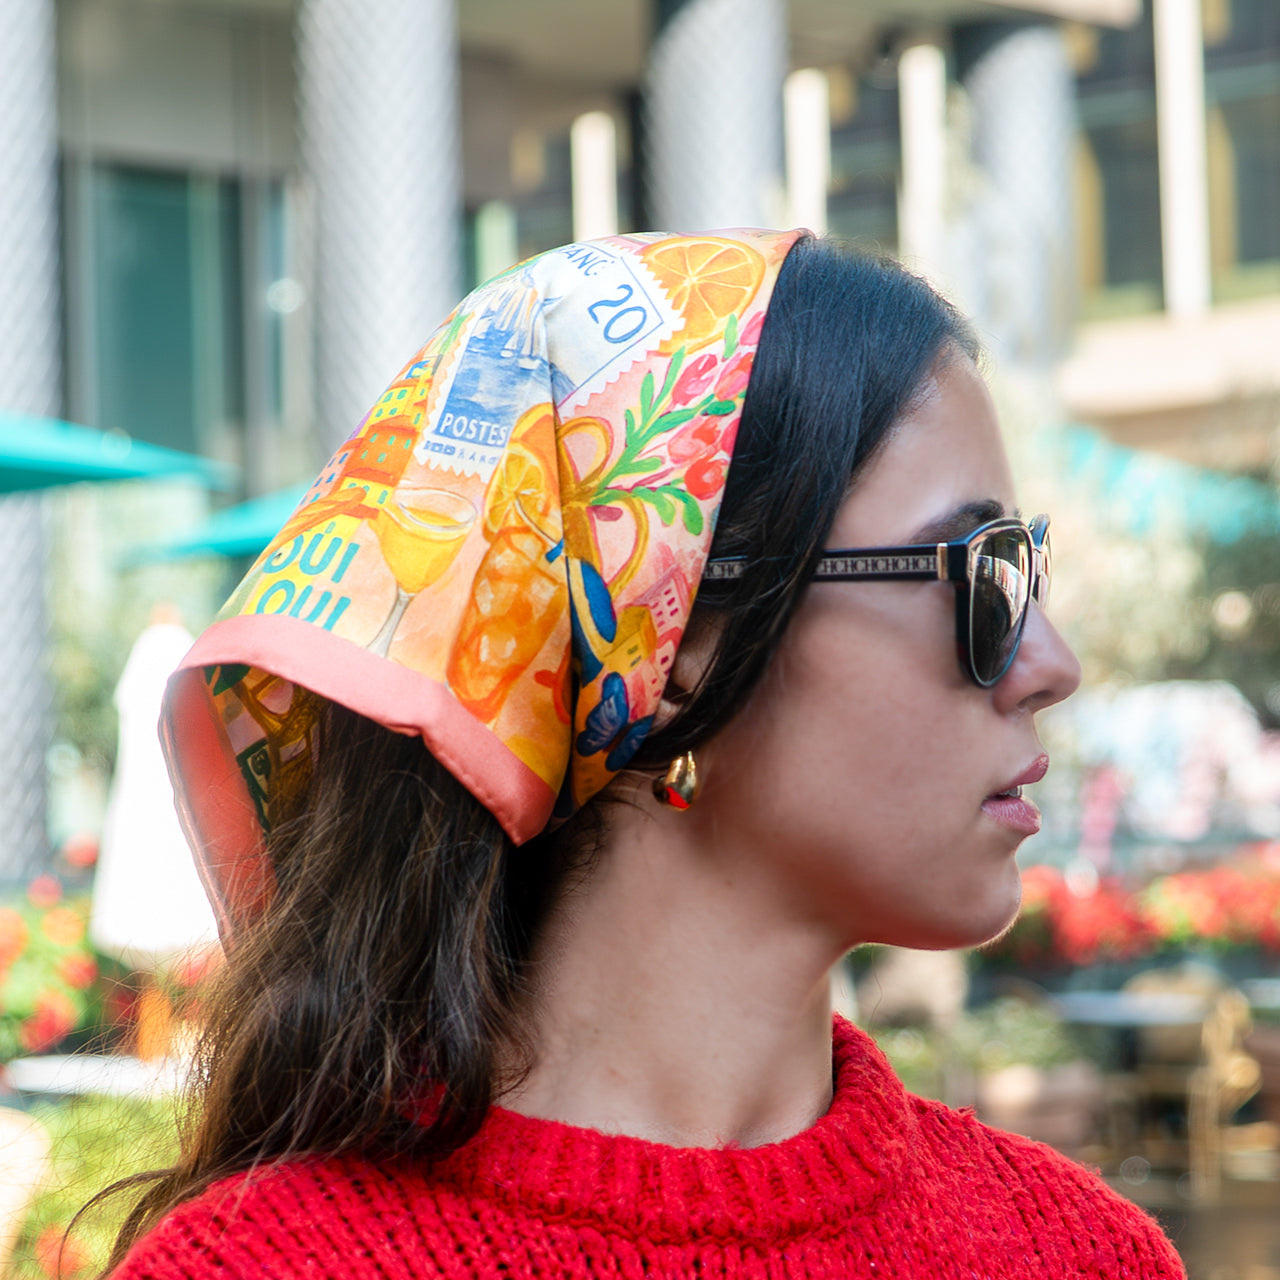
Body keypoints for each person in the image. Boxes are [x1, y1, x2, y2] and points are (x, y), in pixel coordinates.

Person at [105, 231, 1185, 1278]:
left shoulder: (1081, 1252)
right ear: (669, 641)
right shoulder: (257, 1265)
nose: (1050, 662)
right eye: (981, 568)